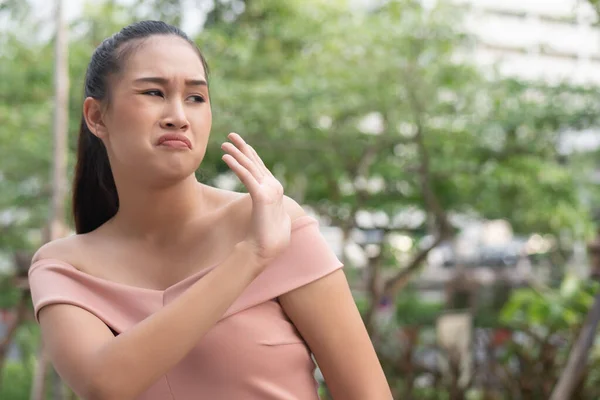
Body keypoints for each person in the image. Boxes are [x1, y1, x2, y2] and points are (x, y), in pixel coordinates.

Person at [28, 20, 392, 400]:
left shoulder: (275, 221)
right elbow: (106, 383)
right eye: (154, 92)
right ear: (97, 116)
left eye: (195, 97)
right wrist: (251, 256)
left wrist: (264, 245)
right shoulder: (64, 268)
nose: (178, 116)